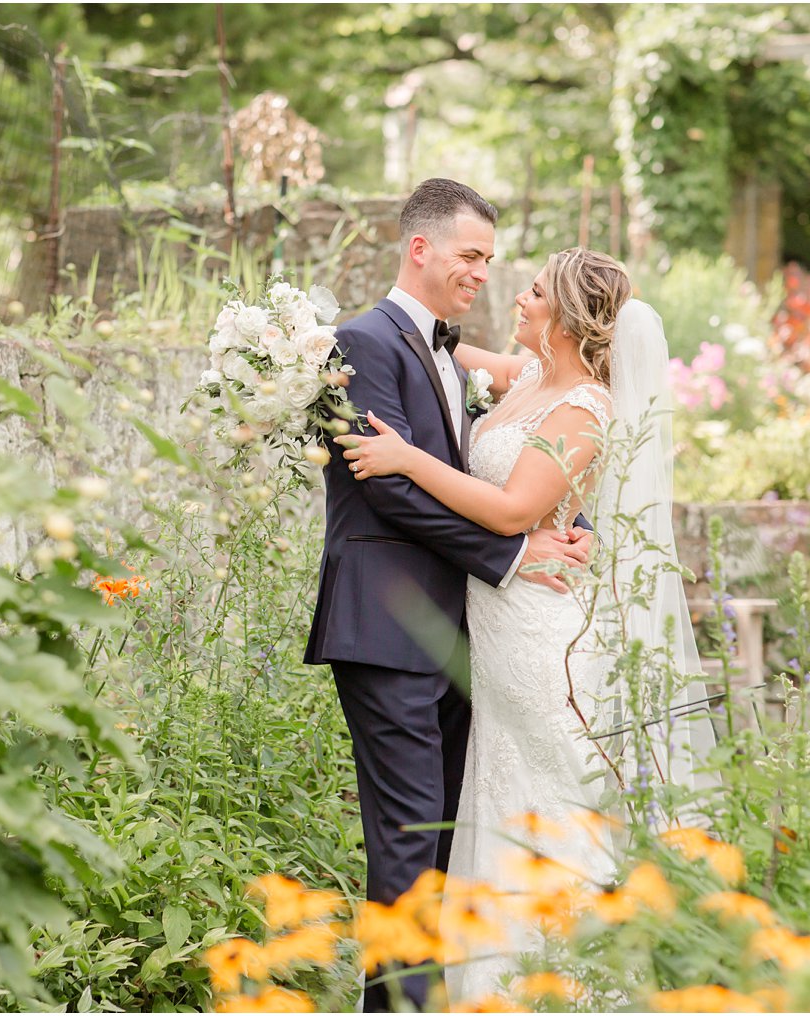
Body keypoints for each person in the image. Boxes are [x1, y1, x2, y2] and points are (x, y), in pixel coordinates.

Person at [341, 247, 718, 1004]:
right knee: (498, 800)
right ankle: (491, 987)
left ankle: (576, 985)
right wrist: (305, 338)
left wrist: (406, 458)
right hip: (497, 630)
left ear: (570, 318)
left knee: (554, 802)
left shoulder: (583, 406)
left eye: (535, 291)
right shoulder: (527, 379)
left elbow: (514, 510)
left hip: (542, 635)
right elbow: (434, 344)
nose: (517, 296)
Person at [302, 179, 593, 1013]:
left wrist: (567, 526)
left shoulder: (444, 349)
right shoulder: (359, 341)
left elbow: (517, 458)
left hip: (457, 633)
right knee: (407, 839)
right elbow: (387, 490)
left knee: (439, 836)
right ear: (419, 248)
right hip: (385, 625)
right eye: (471, 256)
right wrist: (511, 552)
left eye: (491, 261)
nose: (482, 275)